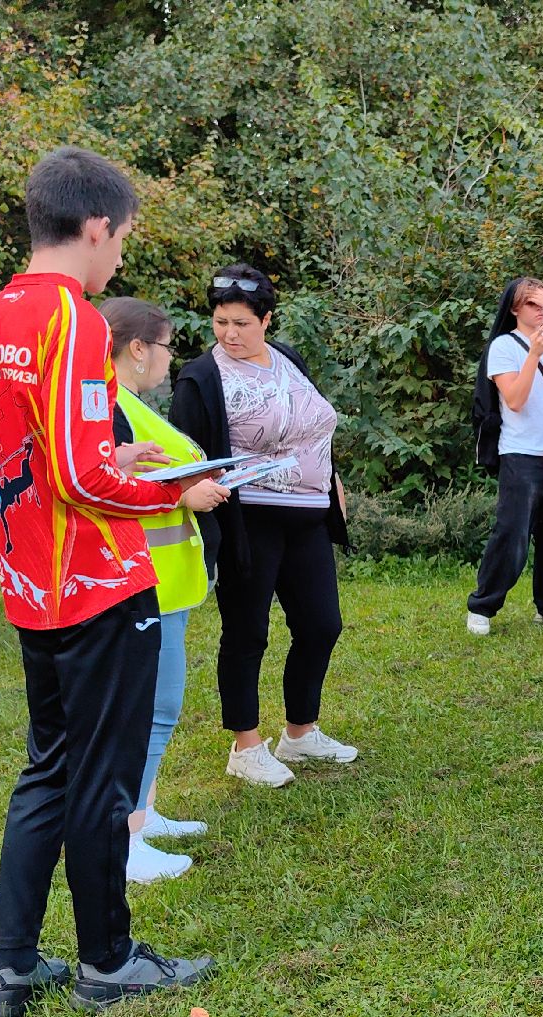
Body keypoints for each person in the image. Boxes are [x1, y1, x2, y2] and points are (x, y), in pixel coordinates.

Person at [0, 147, 214, 1017]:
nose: (120, 260)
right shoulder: (75, 318)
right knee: (102, 782)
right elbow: (80, 479)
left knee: (49, 770)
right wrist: (166, 485)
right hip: (101, 586)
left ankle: (12, 968)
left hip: (30, 586)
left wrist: (107, 457)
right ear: (96, 226)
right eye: (123, 240)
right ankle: (108, 961)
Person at [171, 263, 356, 789]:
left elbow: (312, 427)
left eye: (242, 323)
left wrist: (331, 481)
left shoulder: (289, 360)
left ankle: (300, 733)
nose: (229, 333)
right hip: (248, 519)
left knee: (322, 625)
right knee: (248, 631)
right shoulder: (201, 377)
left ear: (267, 320)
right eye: (221, 321)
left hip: (308, 517)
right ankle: (246, 745)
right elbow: (185, 454)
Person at [99, 296, 226, 883]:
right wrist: (182, 493)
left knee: (159, 707)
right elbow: (106, 489)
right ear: (138, 348)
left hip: (164, 582)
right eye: (169, 345)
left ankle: (142, 816)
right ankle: (125, 840)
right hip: (143, 583)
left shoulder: (126, 404)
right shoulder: (110, 408)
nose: (173, 359)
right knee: (150, 710)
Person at [465, 278, 543, 636]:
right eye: (532, 304)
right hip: (520, 454)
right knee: (512, 534)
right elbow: (515, 400)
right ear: (515, 309)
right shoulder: (504, 347)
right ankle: (482, 606)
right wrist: (534, 353)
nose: (541, 310)